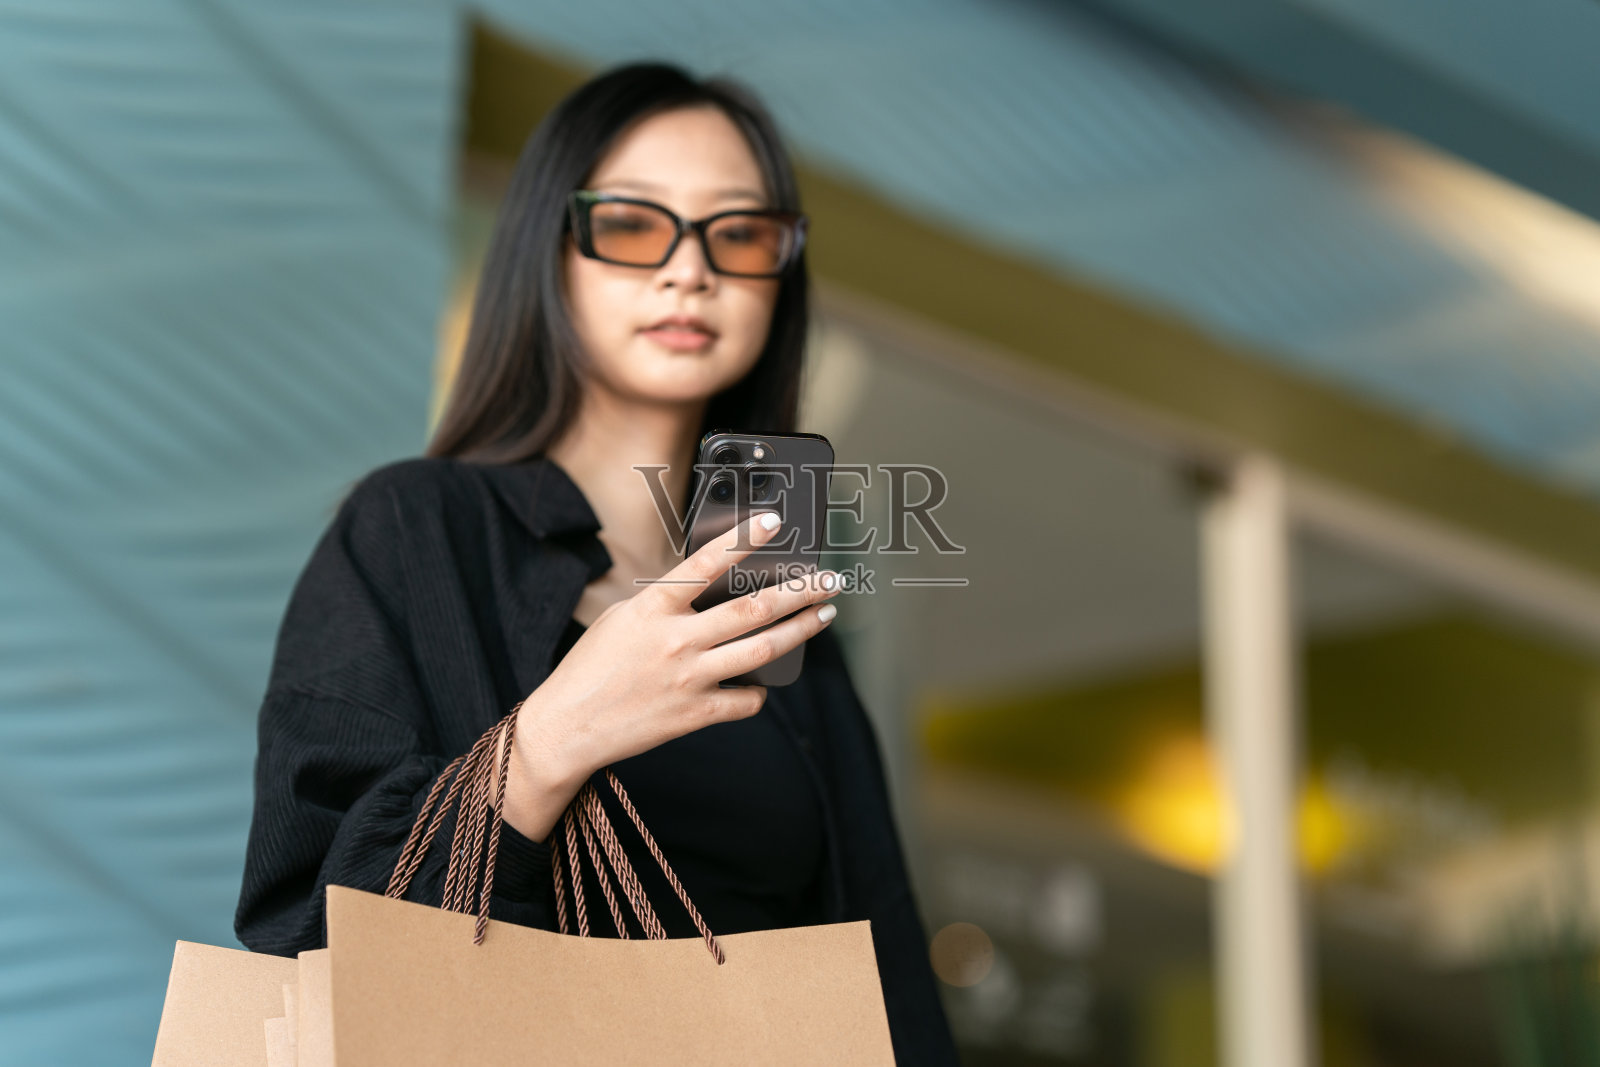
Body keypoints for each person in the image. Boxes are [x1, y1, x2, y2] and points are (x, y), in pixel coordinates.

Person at [234, 61, 959, 1063]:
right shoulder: (416, 529)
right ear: (551, 247)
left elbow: (884, 982)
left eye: (738, 234)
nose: (690, 270)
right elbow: (310, 935)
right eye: (631, 222)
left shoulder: (774, 614)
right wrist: (550, 740)